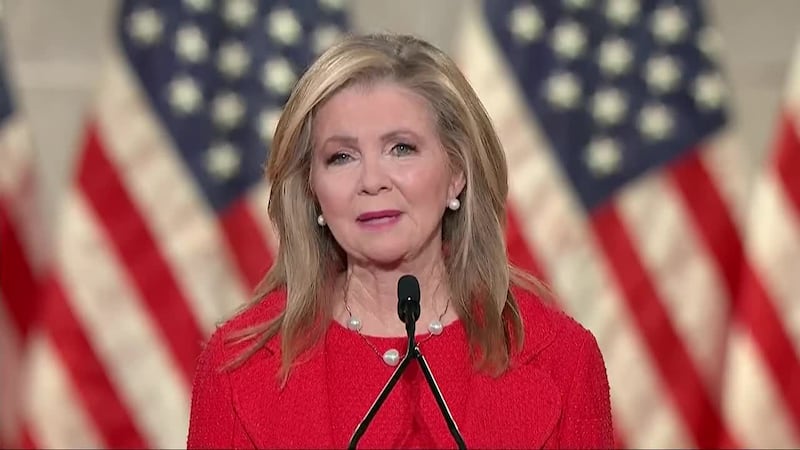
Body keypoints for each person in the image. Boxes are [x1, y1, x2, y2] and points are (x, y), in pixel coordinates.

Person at [187, 33, 614, 449]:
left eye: (401, 148)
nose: (372, 181)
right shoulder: (237, 368)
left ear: (456, 174)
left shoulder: (563, 361)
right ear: (312, 187)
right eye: (341, 156)